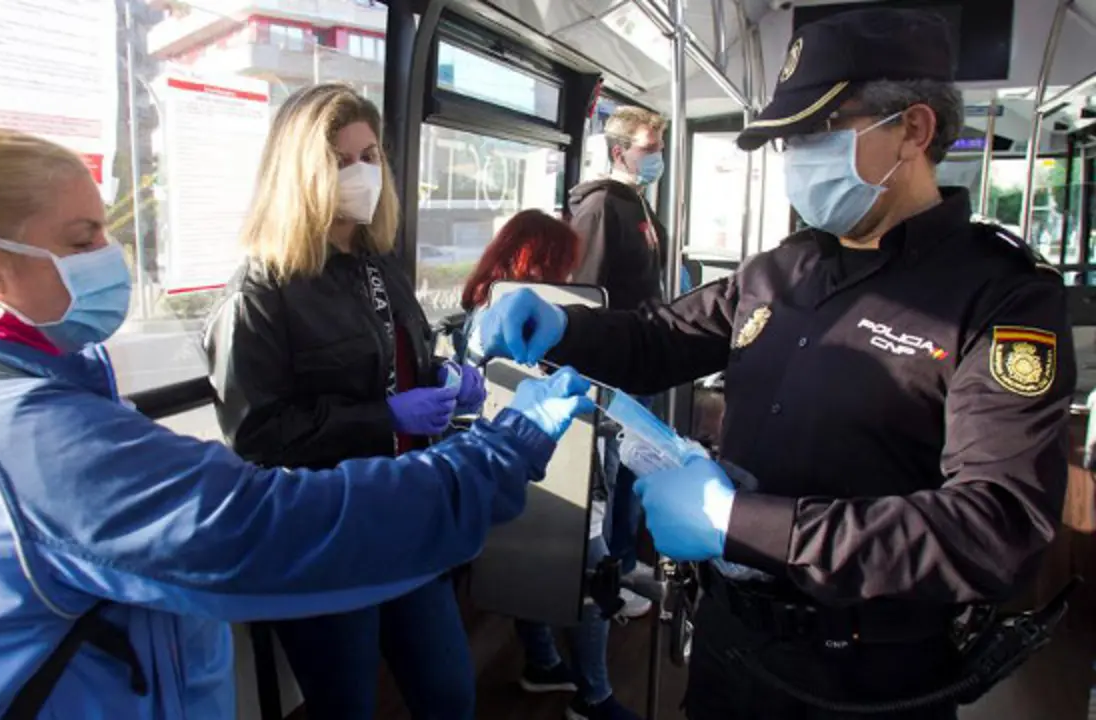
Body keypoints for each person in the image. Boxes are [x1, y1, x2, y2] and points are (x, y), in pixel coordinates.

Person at [0, 127, 594, 718]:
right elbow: (264, 516)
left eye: (103, 229)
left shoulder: (27, 393)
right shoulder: (20, 432)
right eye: (80, 239)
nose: (109, 254)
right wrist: (500, 451)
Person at [475, 8, 1075, 719]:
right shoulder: (783, 268)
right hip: (731, 643)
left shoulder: (999, 298)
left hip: (865, 673)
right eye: (789, 140)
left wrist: (741, 522)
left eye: (817, 133)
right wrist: (561, 329)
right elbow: (658, 339)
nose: (796, 158)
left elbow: (994, 527)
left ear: (913, 130)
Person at [203, 83, 489, 720]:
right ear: (301, 172)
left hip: (405, 507)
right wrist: (381, 417)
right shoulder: (261, 290)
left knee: (449, 693)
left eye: (370, 156)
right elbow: (257, 434)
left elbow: (394, 360)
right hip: (326, 531)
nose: (363, 174)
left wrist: (444, 379)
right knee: (346, 705)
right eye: (340, 161)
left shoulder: (376, 261)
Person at [457, 209, 641, 720]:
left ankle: (541, 662)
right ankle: (595, 697)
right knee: (595, 585)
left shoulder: (480, 313)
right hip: (562, 469)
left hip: (509, 469)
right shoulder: (527, 322)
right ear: (542, 262)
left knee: (524, 569)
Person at [569, 106, 700, 621]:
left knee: (631, 473)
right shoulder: (602, 207)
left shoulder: (637, 204)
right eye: (650, 148)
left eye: (660, 148)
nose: (657, 158)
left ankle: (623, 562)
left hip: (641, 358)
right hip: (613, 366)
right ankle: (606, 573)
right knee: (608, 474)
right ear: (620, 151)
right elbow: (587, 293)